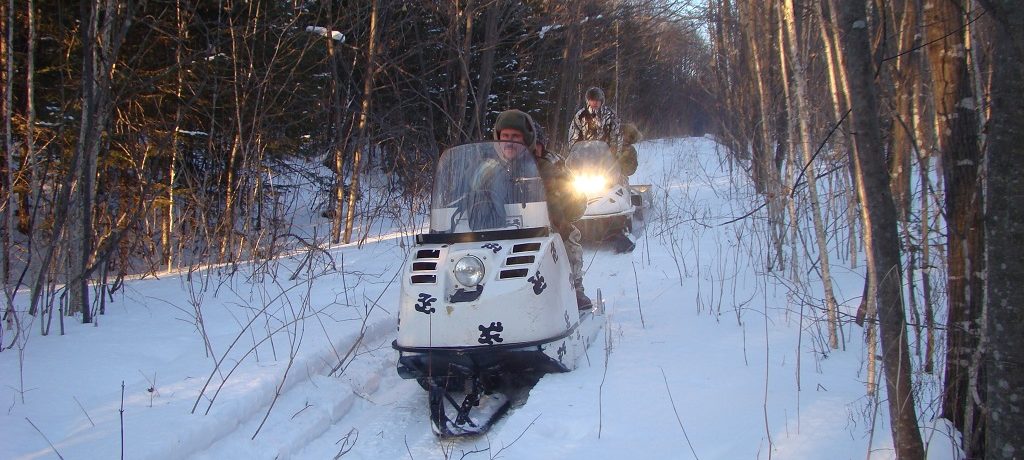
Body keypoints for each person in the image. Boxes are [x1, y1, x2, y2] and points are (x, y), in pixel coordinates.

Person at [492, 109, 593, 310]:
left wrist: (566, 201)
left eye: (515, 137)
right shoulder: (489, 170)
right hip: (499, 233)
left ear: (527, 140)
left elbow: (572, 202)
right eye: (505, 136)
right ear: (498, 139)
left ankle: (574, 288)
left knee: (568, 238)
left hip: (543, 231)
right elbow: (472, 197)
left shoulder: (547, 168)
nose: (510, 142)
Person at [567, 87, 622, 153]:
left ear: (601, 101)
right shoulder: (580, 115)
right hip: (585, 155)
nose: (595, 102)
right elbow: (574, 135)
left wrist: (615, 152)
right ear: (588, 101)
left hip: (605, 156)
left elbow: (616, 134)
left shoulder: (610, 115)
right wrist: (574, 152)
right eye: (592, 100)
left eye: (598, 100)